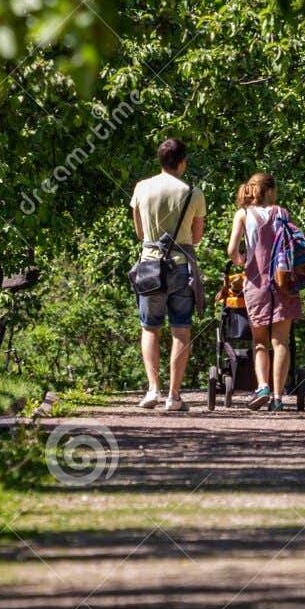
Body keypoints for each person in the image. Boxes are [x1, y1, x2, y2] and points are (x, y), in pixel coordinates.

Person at [129, 137, 205, 411]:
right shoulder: (193, 192)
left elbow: (139, 233)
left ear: (160, 161)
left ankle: (152, 390)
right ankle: (174, 395)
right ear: (182, 163)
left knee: (150, 328)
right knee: (181, 329)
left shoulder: (142, 188)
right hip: (180, 265)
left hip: (149, 264)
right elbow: (195, 238)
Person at [226, 171, 302, 410]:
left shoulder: (243, 214)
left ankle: (263, 387)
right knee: (281, 343)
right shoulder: (282, 213)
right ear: (270, 191)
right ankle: (278, 398)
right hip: (283, 284)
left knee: (259, 342)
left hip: (256, 285)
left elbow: (231, 251)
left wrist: (241, 260)